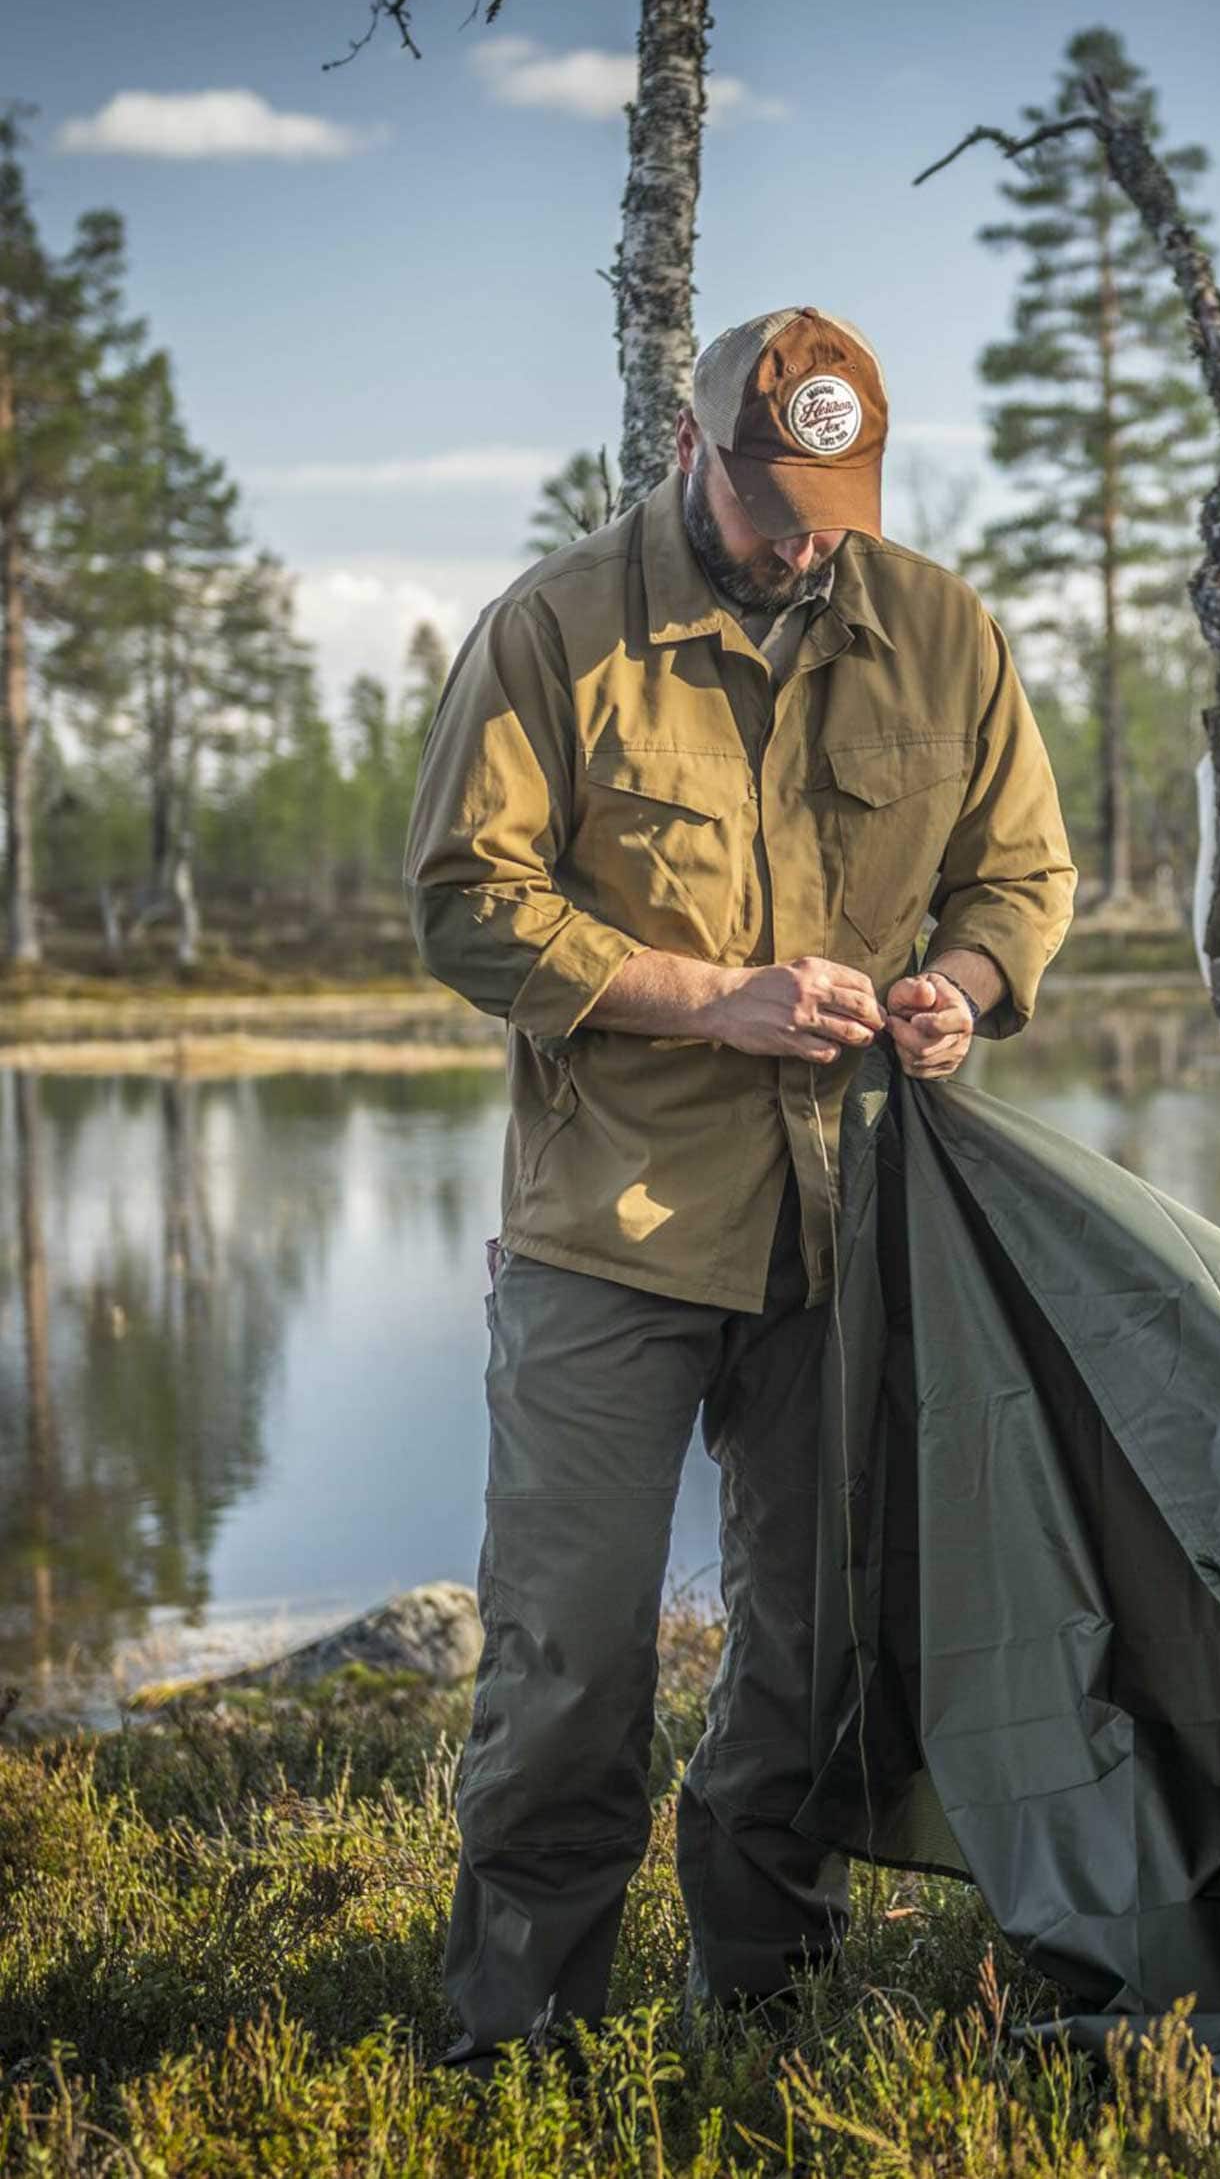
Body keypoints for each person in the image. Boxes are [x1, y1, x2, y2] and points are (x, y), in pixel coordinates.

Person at [401, 305, 1077, 2074]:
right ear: (692, 450)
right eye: (775, 496)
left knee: (811, 1654)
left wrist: (965, 991)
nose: (804, 536)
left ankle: (769, 2021)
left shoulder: (940, 631)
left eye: (835, 499)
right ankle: (514, 2050)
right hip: (609, 1239)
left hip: (850, 1231)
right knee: (567, 1668)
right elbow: (466, 900)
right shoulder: (555, 631)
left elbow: (1024, 876)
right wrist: (720, 997)